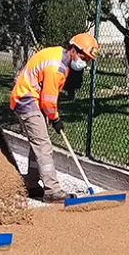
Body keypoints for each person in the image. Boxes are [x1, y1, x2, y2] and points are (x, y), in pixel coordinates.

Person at [9, 33, 99, 202]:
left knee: (38, 142)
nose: (83, 62)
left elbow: (47, 97)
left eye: (87, 59)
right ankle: (52, 190)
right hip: (26, 99)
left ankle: (32, 183)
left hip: (30, 97)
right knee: (43, 145)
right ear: (73, 50)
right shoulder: (57, 66)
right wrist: (56, 119)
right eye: (82, 56)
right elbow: (48, 100)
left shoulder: (60, 58)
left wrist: (51, 116)